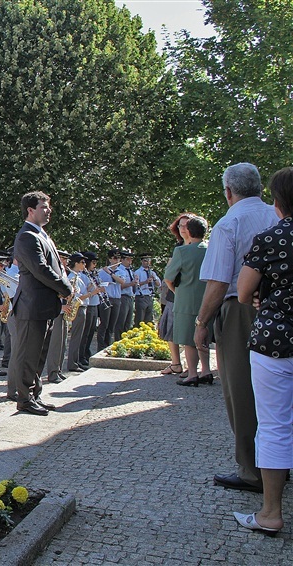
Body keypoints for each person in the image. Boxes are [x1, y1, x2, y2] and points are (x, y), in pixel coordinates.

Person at [196, 163, 278, 493]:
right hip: (279, 307)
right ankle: (280, 464)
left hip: (240, 310)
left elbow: (217, 282)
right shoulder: (278, 215)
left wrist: (201, 323)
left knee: (241, 391)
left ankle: (253, 470)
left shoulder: (230, 222)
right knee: (278, 390)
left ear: (228, 191)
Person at [233, 167, 293, 535]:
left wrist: (263, 294)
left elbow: (242, 292)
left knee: (273, 425)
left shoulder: (272, 237)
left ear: (278, 201)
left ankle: (271, 512)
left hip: (277, 340)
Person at [10, 191, 73, 416]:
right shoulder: (27, 236)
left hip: (45, 305)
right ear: (30, 210)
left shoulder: (42, 234)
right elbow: (40, 269)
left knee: (39, 354)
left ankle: (34, 395)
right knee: (28, 354)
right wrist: (66, 288)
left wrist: (64, 284)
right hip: (31, 305)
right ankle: (24, 399)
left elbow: (58, 268)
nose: (48, 211)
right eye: (44, 207)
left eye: (48, 207)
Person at [163, 215, 213, 386]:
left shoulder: (182, 251)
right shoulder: (212, 249)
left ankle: (192, 373)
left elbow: (169, 278)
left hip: (186, 300)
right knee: (204, 336)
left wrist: (177, 292)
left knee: (189, 339)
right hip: (209, 298)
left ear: (190, 231)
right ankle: (206, 370)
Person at [66, 252, 102, 373]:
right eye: (82, 262)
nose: (84, 264)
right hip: (79, 308)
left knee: (81, 336)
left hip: (83, 308)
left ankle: (77, 361)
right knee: (76, 337)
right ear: (76, 263)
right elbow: (77, 297)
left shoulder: (80, 275)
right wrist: (92, 293)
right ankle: (73, 363)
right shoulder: (73, 277)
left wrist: (92, 287)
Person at [44, 250, 72, 383]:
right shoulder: (52, 272)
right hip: (57, 310)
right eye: (63, 259)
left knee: (62, 343)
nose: (65, 262)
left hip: (64, 310)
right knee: (55, 345)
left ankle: (58, 370)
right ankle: (52, 372)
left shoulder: (63, 272)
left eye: (66, 259)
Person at [96, 249, 125, 349]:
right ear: (110, 259)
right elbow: (97, 283)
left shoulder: (121, 271)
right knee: (104, 323)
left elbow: (122, 281)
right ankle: (100, 346)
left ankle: (107, 346)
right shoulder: (102, 272)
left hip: (116, 299)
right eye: (115, 258)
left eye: (119, 258)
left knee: (112, 325)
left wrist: (110, 273)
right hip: (106, 299)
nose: (117, 260)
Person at [114, 250, 139, 339]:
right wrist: (130, 284)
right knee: (121, 321)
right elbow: (119, 286)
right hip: (123, 297)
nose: (130, 262)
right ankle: (118, 340)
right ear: (123, 260)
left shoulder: (130, 270)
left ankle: (125, 340)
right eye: (128, 259)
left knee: (128, 322)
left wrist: (136, 281)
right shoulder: (119, 270)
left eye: (131, 260)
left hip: (130, 297)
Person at [134, 254, 161, 325]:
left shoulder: (152, 272)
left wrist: (154, 279)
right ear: (142, 261)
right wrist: (145, 282)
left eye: (149, 261)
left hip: (150, 296)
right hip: (141, 296)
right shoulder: (137, 272)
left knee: (149, 319)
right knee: (140, 318)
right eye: (145, 261)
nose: (148, 263)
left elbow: (159, 285)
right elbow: (135, 285)